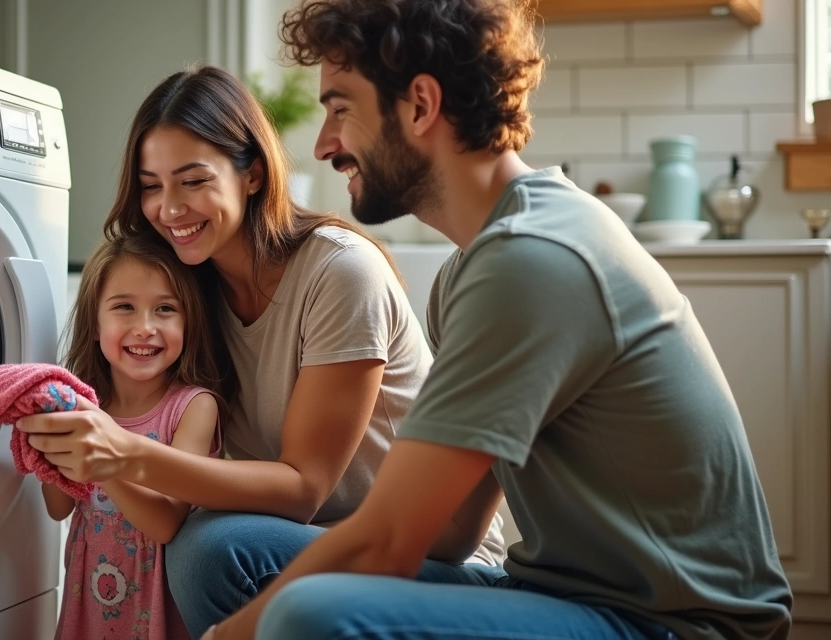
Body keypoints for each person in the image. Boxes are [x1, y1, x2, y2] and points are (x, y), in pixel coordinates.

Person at [197, 1, 795, 639]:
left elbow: (388, 546)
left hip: (672, 625)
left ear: (421, 105)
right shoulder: (470, 270)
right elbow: (452, 533)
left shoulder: (534, 257)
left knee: (306, 614)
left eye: (341, 108)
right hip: (554, 593)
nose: (324, 145)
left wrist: (227, 635)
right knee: (225, 553)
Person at [15, 65, 506, 638]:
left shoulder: (340, 272)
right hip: (300, 552)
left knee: (209, 549)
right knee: (203, 541)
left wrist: (122, 454)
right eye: (151, 185)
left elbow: (302, 491)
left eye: (193, 180)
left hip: (425, 562)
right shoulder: (188, 293)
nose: (169, 207)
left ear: (251, 174)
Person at [41, 234, 221, 640]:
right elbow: (58, 507)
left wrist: (102, 459)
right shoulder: (86, 405)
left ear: (188, 322)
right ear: (94, 324)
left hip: (156, 603)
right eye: (124, 307)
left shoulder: (193, 407)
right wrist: (49, 429)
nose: (145, 327)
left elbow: (164, 523)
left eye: (165, 309)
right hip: (89, 598)